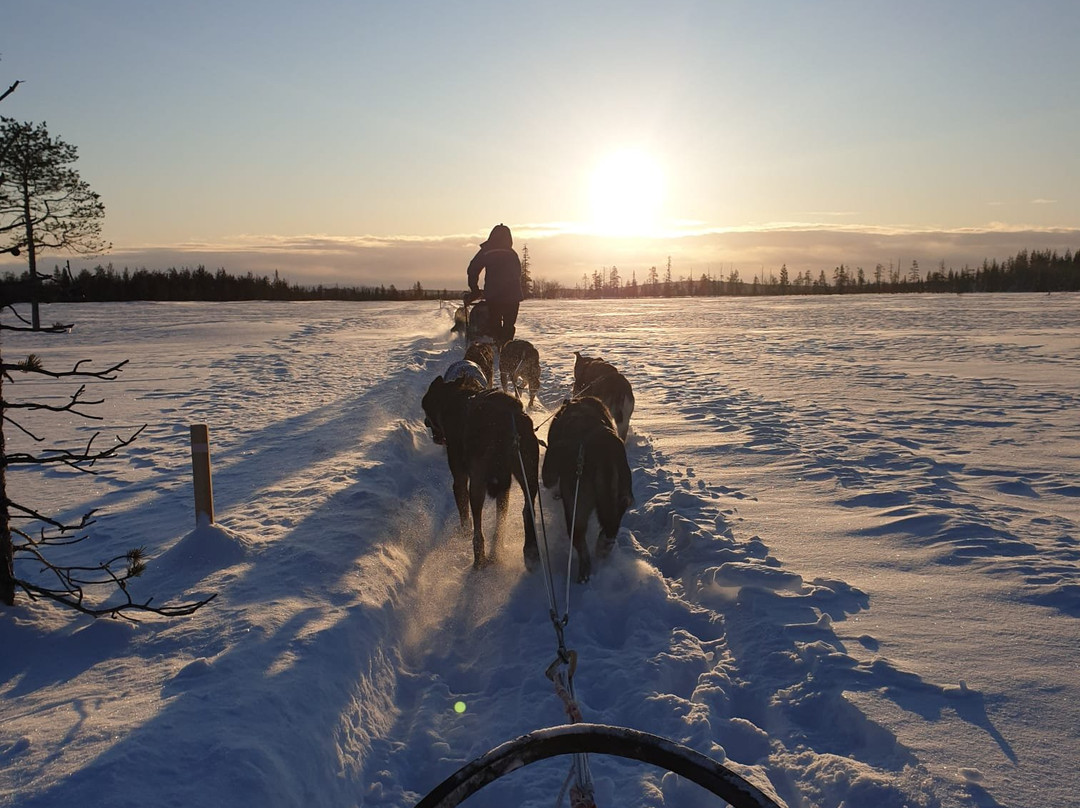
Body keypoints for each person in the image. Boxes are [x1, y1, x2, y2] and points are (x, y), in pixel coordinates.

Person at [464, 223, 523, 345]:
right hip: (513, 296)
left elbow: (473, 269)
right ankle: (506, 349)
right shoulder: (512, 253)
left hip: (494, 295)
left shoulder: (486, 251)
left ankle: (498, 344)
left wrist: (474, 290)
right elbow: (517, 273)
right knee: (509, 325)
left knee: (495, 324)